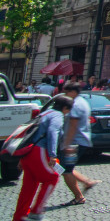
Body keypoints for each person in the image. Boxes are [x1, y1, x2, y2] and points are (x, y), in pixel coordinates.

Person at [13, 93, 71, 221]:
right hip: (39, 151)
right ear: (65, 108)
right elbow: (53, 132)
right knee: (52, 178)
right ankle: (36, 212)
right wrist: (52, 155)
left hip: (28, 152)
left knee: (29, 185)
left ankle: (20, 216)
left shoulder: (44, 112)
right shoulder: (58, 115)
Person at [58, 81, 98, 205]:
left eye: (67, 92)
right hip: (81, 140)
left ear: (73, 92)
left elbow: (73, 127)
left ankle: (78, 197)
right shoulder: (83, 102)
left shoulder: (74, 105)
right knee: (65, 167)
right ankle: (87, 182)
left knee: (65, 171)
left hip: (75, 142)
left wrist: (66, 144)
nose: (65, 95)